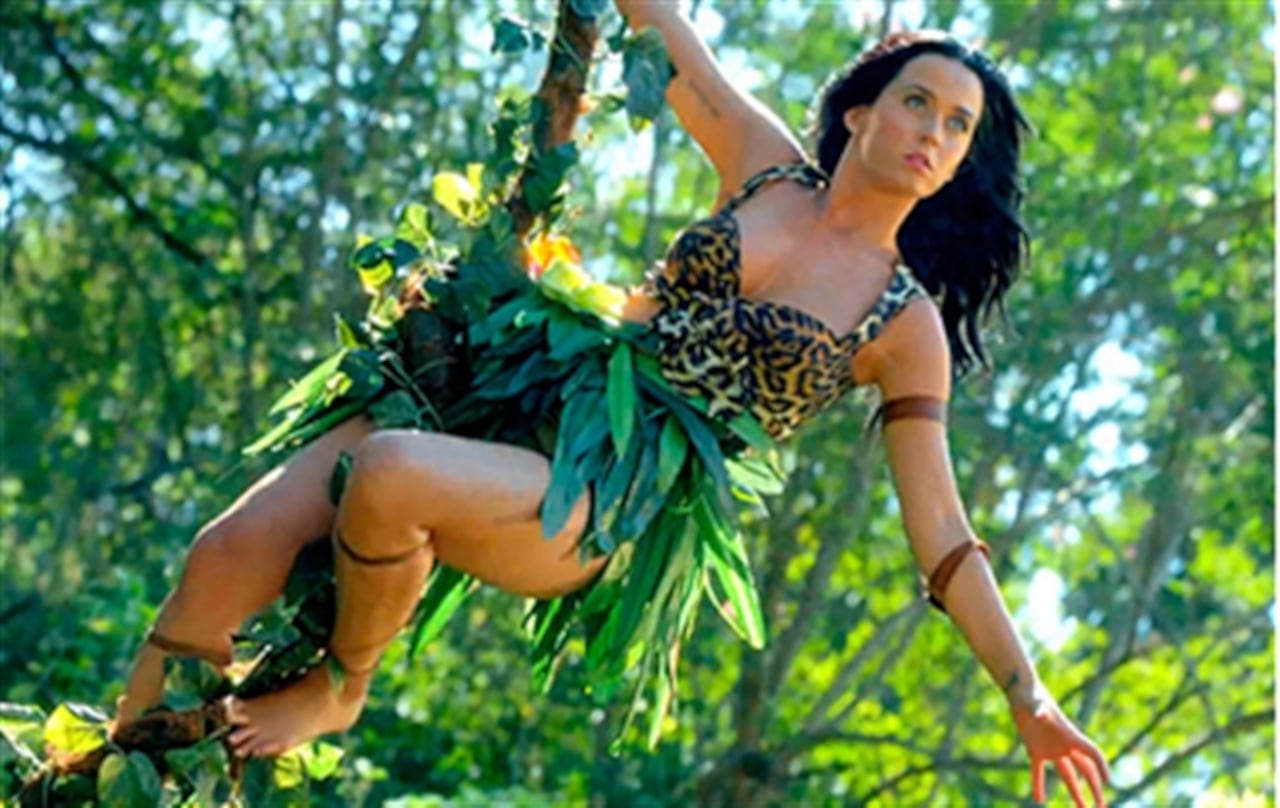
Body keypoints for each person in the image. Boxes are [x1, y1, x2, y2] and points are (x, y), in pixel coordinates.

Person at [111, 3, 1109, 804]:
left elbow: (942, 531)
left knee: (391, 472)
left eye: (956, 125)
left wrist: (1027, 694)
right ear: (860, 112)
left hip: (604, 492)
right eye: (917, 102)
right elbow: (658, 25)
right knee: (222, 554)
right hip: (518, 380)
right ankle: (113, 774)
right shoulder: (764, 165)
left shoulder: (904, 324)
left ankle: (342, 683)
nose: (932, 131)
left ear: (959, 162)